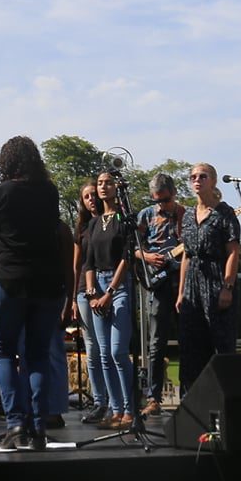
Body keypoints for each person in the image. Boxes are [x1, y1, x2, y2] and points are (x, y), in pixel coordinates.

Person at [0, 136, 68, 452]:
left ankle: (14, 426)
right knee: (37, 355)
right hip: (48, 284)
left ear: (6, 162)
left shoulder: (0, 193)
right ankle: (38, 428)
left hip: (10, 281)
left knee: (2, 352)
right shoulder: (48, 193)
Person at [176, 164, 241, 396]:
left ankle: (225, 399)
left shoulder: (225, 213)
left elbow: (233, 251)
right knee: (191, 344)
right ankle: (192, 401)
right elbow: (186, 254)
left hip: (216, 279)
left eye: (202, 176)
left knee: (220, 342)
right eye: (193, 177)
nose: (197, 180)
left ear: (213, 181)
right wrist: (181, 291)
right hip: (192, 282)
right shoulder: (186, 216)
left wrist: (227, 286)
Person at [81, 175, 139, 429]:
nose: (103, 187)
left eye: (108, 182)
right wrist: (93, 293)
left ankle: (130, 411)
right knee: (104, 354)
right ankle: (116, 411)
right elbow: (89, 262)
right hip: (98, 287)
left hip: (119, 285)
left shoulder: (125, 220)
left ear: (118, 188)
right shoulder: (94, 223)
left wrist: (110, 292)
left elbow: (127, 257)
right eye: (100, 183)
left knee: (117, 351)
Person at [135, 173, 184, 414]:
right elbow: (132, 246)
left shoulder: (186, 214)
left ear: (173, 193)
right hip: (156, 282)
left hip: (182, 280)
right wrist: (146, 256)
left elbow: (193, 245)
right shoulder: (146, 214)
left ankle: (188, 394)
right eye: (156, 200)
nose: (160, 205)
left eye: (164, 200)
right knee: (156, 343)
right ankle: (153, 398)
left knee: (188, 341)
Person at [70, 181, 108, 422]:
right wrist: (73, 297)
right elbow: (75, 265)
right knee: (92, 348)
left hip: (108, 286)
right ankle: (99, 400)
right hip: (84, 290)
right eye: (86, 196)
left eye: (94, 195)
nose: (91, 199)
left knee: (109, 349)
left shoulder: (111, 222)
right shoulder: (82, 228)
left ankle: (116, 401)